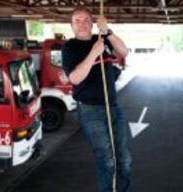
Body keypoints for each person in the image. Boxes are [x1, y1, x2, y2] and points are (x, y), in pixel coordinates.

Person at [61, 7, 132, 192]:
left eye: (86, 20)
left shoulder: (101, 39)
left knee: (124, 159)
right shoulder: (70, 48)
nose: (82, 23)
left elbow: (123, 52)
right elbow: (75, 78)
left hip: (113, 106)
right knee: (107, 160)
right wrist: (93, 53)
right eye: (77, 20)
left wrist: (107, 31)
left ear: (93, 23)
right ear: (72, 25)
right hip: (90, 111)